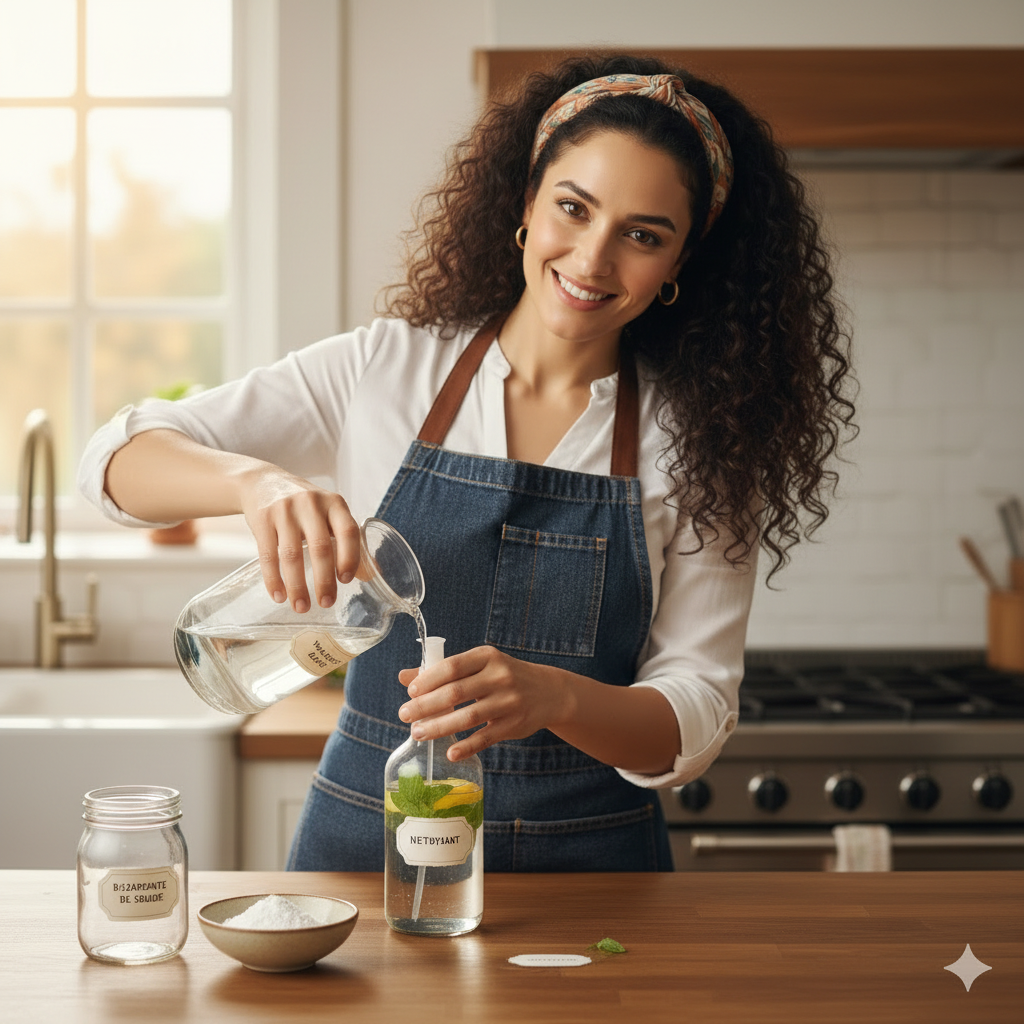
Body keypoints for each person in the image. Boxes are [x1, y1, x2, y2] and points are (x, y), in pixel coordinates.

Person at [79, 54, 854, 872]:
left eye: (642, 235)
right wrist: (254, 482)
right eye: (573, 208)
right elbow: (112, 466)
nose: (592, 259)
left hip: (591, 869)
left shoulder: (704, 438)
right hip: (364, 848)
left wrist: (557, 697)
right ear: (526, 204)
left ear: (680, 263)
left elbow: (694, 712)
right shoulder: (384, 370)